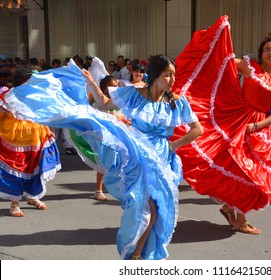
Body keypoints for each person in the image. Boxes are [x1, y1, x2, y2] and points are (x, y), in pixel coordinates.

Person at [4, 56, 203, 260]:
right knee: (144, 207)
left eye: (173, 75)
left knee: (158, 210)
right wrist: (91, 83)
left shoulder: (176, 102)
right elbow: (105, 103)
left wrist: (173, 145)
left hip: (161, 159)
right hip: (136, 156)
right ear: (154, 76)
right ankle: (134, 254)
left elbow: (197, 129)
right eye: (167, 75)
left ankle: (139, 254)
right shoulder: (135, 94)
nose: (172, 80)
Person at [172, 16, 271, 235]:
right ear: (261, 54)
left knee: (257, 177)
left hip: (260, 129)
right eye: (266, 49)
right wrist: (220, 37)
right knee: (240, 169)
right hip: (236, 120)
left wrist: (256, 126)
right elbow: (223, 61)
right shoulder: (250, 67)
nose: (270, 52)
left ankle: (229, 208)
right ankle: (241, 218)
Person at [0, 68, 61, 217]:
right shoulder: (8, 95)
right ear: (23, 81)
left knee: (35, 167)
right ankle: (14, 203)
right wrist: (8, 112)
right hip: (15, 138)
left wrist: (47, 130)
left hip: (36, 136)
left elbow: (40, 114)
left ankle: (32, 196)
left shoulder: (36, 95)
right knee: (18, 168)